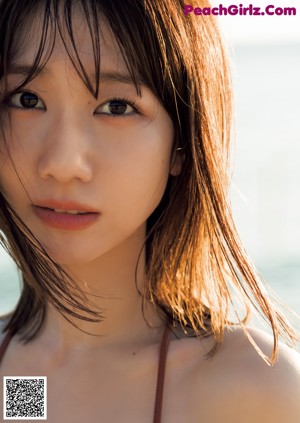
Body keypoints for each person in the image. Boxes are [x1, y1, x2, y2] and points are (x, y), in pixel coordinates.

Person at [0, 0, 299, 421]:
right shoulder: (20, 382)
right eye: (27, 99)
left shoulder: (244, 390)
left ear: (181, 143)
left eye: (116, 107)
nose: (63, 162)